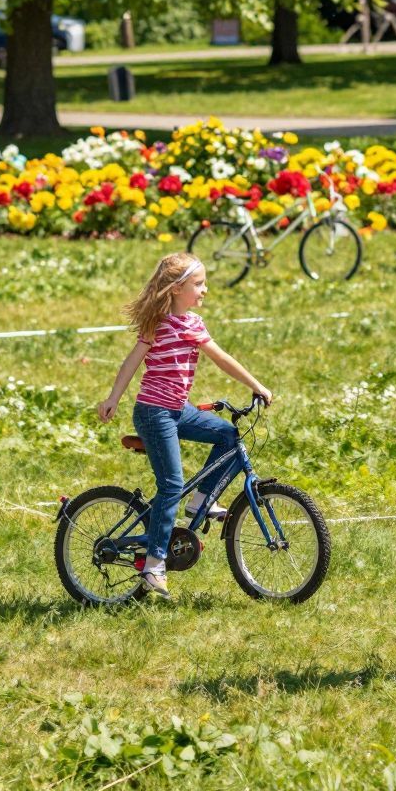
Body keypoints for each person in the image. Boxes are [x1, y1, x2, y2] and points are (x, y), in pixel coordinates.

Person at [97, 253, 272, 598]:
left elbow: (221, 357)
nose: (204, 290)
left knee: (226, 433)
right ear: (177, 288)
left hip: (178, 410)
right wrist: (113, 397)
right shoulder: (158, 323)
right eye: (198, 284)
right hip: (153, 412)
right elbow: (133, 361)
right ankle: (154, 564)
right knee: (171, 484)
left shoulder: (193, 322)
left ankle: (202, 499)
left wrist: (254, 384)